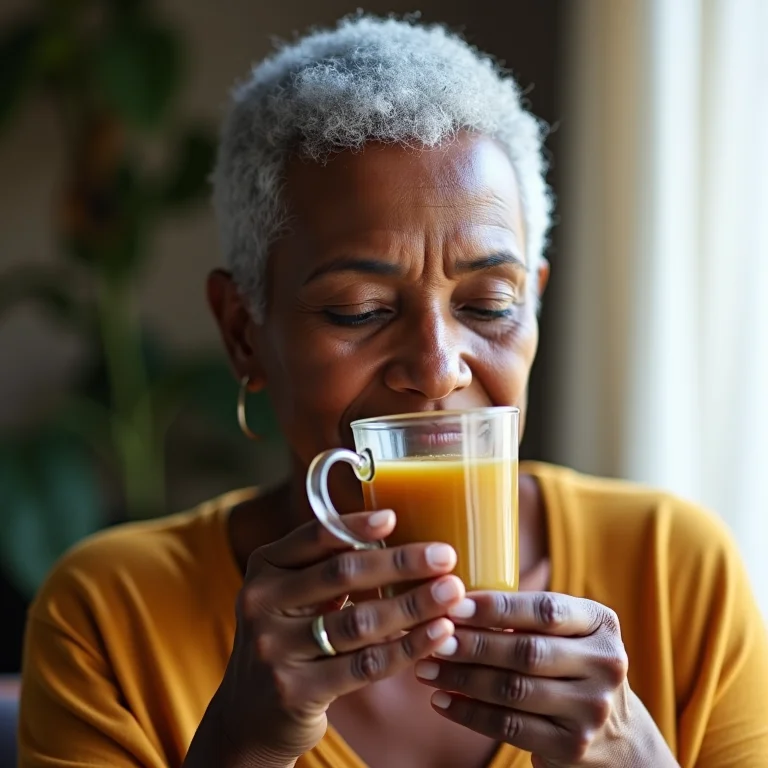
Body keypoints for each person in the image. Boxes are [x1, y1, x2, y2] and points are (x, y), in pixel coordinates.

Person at [17, 14, 768, 768]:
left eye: (488, 305)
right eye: (361, 311)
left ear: (534, 307)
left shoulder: (675, 573)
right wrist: (240, 748)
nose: (439, 367)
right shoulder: (112, 614)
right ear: (244, 332)